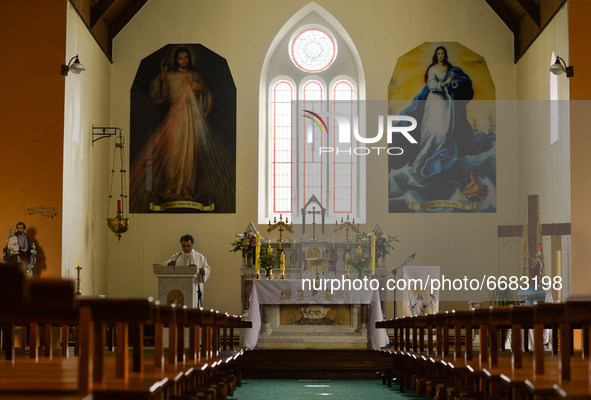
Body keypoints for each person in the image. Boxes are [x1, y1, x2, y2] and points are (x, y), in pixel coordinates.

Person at [130, 46, 235, 212]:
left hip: (191, 118)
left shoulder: (195, 76)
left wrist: (201, 89)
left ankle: (187, 189)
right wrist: (163, 74)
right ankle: (172, 185)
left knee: (190, 155)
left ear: (189, 59)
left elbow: (206, 96)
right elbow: (155, 93)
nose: (183, 61)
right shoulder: (170, 76)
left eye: (186, 58)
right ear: (176, 60)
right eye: (180, 58)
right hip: (175, 116)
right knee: (173, 152)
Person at [164, 234, 211, 307]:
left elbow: (207, 268)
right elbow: (165, 263)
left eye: (188, 246)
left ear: (193, 244)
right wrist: (169, 264)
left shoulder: (200, 257)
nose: (186, 248)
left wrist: (204, 271)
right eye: (183, 246)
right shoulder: (177, 256)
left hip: (195, 287)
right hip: (179, 288)